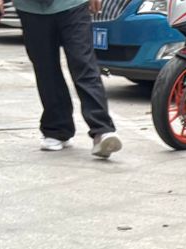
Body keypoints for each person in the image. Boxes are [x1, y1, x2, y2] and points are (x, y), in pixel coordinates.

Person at [9, 0, 123, 157]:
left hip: (73, 5)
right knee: (45, 69)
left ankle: (102, 130)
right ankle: (57, 130)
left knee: (83, 64)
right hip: (30, 8)